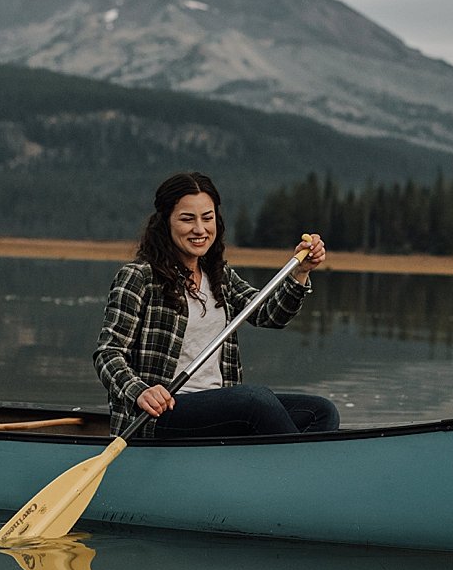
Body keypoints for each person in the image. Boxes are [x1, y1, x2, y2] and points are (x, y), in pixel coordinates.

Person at [94, 172, 338, 440]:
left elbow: (272, 315)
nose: (200, 229)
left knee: (321, 411)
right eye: (188, 219)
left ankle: (285, 468)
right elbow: (108, 353)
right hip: (159, 415)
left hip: (220, 406)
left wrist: (300, 272)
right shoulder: (139, 277)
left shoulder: (218, 275)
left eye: (207, 218)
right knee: (254, 401)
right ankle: (300, 471)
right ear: (165, 224)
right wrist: (140, 391)